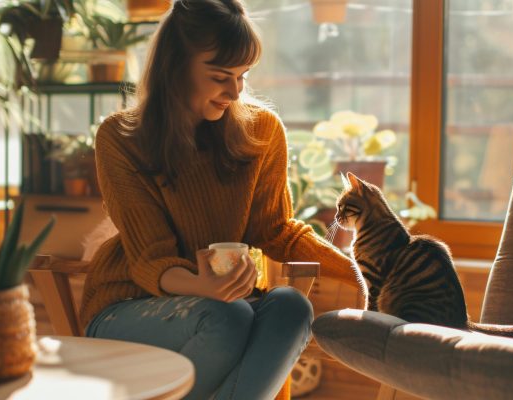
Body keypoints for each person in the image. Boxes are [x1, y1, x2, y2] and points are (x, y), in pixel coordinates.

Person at [78, 1, 367, 399]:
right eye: (220, 77)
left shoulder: (263, 131)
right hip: (127, 304)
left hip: (224, 307)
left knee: (291, 308)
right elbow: (151, 259)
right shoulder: (122, 138)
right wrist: (202, 286)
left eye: (243, 76)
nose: (235, 91)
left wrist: (365, 275)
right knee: (226, 316)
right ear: (176, 67)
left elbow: (277, 230)